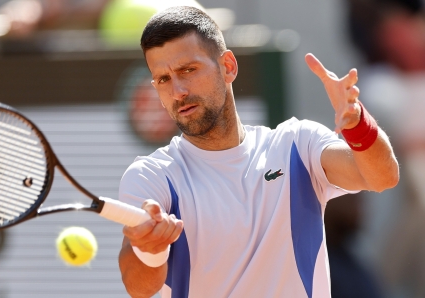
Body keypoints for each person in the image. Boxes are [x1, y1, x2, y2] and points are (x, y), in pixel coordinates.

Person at [117, 6, 399, 298]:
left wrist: (358, 126)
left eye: (188, 70)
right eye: (163, 79)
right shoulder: (150, 176)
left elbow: (382, 177)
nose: (177, 91)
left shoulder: (297, 144)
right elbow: (138, 287)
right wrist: (151, 250)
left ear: (228, 66)